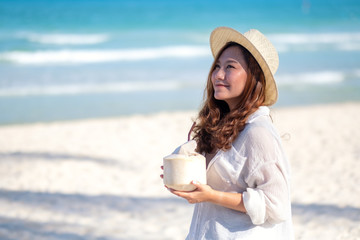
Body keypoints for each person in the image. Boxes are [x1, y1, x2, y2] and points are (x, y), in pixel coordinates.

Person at [162, 27, 294, 239]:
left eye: (230, 67)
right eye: (217, 66)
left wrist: (212, 196)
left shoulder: (258, 132)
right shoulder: (222, 124)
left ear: (253, 77)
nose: (218, 75)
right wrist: (180, 171)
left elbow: (276, 205)